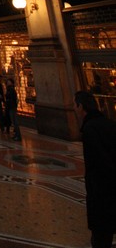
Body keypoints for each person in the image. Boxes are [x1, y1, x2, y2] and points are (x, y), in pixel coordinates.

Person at [74, 90, 116, 248]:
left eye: (74, 105)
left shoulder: (90, 130)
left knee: (100, 239)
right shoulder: (110, 124)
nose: (74, 108)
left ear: (80, 106)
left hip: (102, 197)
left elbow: (98, 166)